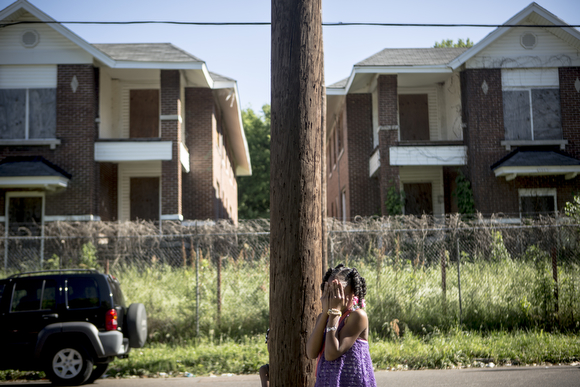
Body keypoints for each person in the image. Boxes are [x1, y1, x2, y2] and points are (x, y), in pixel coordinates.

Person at [306, 264, 376, 387]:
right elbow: (311, 352)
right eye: (328, 291)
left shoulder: (357, 316)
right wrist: (324, 314)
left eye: (337, 292)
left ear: (352, 293)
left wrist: (334, 312)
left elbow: (331, 353)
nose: (332, 297)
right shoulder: (323, 318)